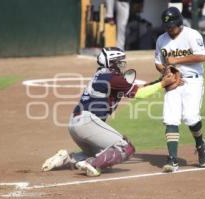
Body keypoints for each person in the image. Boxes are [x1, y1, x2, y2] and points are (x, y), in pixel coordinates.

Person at [41, 47, 181, 177]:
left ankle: (67, 159)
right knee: (126, 148)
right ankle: (91, 165)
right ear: (112, 63)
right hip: (87, 122)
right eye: (120, 62)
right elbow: (140, 93)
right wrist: (163, 84)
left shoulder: (103, 75)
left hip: (76, 124)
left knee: (102, 154)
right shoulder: (112, 77)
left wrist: (160, 81)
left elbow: (135, 88)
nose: (122, 65)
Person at [154, 7, 205, 172]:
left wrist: (177, 60)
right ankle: (172, 160)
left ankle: (200, 143)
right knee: (170, 119)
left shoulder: (192, 35)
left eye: (172, 26)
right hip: (173, 84)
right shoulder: (161, 40)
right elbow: (158, 62)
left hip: (192, 82)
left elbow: (202, 56)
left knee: (191, 118)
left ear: (179, 23)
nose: (169, 29)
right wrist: (165, 72)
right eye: (167, 26)